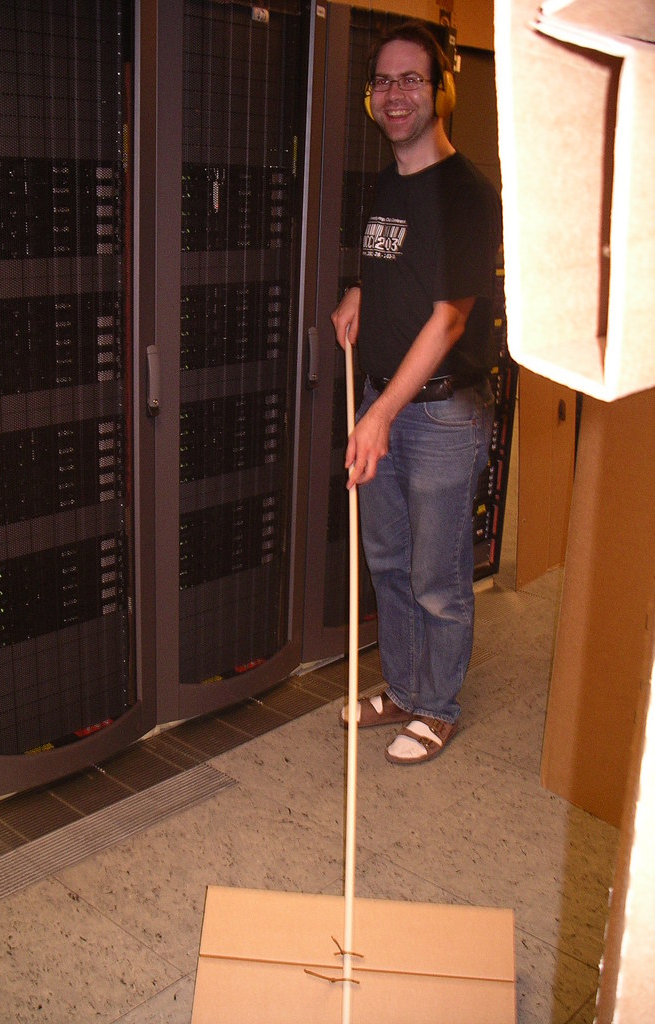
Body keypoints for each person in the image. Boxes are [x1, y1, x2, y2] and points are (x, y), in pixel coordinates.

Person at [332, 19, 500, 765]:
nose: (395, 94)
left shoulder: (467, 195)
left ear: (441, 91)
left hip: (438, 415)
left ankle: (436, 706)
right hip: (386, 400)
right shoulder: (387, 181)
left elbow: (449, 316)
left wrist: (378, 415)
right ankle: (403, 688)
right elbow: (393, 264)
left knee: (437, 576)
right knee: (389, 563)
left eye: (411, 79)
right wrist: (358, 291)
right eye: (384, 81)